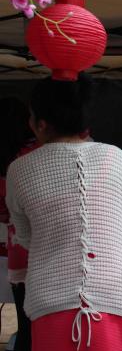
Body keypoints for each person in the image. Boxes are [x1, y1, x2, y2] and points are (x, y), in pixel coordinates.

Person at [5, 74, 122, 351]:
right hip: (119, 306)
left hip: (51, 310)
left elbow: (25, 236)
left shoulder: (19, 170)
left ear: (40, 124)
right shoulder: (114, 157)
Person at [0, 97, 36, 351]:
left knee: (26, 328)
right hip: (49, 250)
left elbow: (3, 213)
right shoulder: (36, 154)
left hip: (17, 253)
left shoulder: (5, 161)